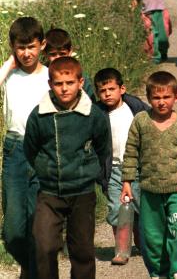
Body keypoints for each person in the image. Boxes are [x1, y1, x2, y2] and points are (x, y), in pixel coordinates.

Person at [23, 57, 110, 279]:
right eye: (59, 83)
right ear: (50, 84)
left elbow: (103, 148)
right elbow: (30, 149)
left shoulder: (93, 115)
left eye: (69, 82)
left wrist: (90, 173)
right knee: (44, 246)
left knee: (82, 251)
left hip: (82, 192)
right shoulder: (39, 115)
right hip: (49, 193)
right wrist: (45, 170)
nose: (64, 89)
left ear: (81, 82)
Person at [121, 71, 177, 279]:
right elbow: (131, 152)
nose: (161, 102)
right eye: (156, 98)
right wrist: (127, 182)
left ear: (176, 98)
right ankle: (158, 273)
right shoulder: (141, 121)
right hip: (150, 192)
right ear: (148, 99)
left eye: (166, 97)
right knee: (152, 238)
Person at [0, 16, 49, 279]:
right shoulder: (9, 76)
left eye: (31, 46)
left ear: (42, 45)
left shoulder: (52, 77)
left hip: (44, 151)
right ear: (13, 47)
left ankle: (33, 272)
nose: (26, 53)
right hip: (15, 151)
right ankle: (29, 265)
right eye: (20, 47)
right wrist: (9, 63)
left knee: (37, 224)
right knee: (13, 231)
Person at [94, 67, 149, 265]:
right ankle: (122, 250)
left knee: (141, 208)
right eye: (102, 90)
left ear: (122, 89)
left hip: (138, 167)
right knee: (118, 208)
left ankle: (145, 246)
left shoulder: (135, 108)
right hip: (114, 170)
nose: (107, 94)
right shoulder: (98, 114)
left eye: (111, 89)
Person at [44, 27, 96, 101]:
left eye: (62, 54)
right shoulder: (42, 74)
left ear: (70, 51)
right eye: (53, 54)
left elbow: (91, 103)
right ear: (45, 54)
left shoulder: (79, 75)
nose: (58, 58)